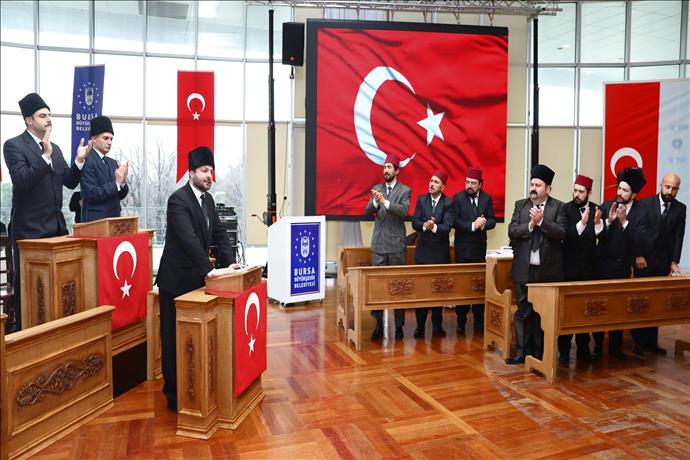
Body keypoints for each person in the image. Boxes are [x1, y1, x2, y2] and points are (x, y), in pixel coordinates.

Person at [155, 146, 237, 412]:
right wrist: (209, 269)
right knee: (173, 340)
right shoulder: (177, 200)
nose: (208, 175)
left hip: (198, 283)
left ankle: (195, 387)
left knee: (194, 340)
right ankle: (174, 396)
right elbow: (189, 239)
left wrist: (232, 265)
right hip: (175, 282)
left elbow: (220, 235)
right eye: (203, 171)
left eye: (211, 171)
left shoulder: (209, 201)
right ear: (190, 173)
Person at [3, 92, 91, 332]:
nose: (48, 119)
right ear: (28, 120)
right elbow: (22, 180)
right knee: (31, 295)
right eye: (43, 115)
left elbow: (70, 182)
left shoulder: (57, 149)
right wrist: (44, 157)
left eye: (49, 115)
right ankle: (27, 343)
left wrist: (80, 162)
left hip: (56, 232)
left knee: (57, 294)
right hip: (30, 234)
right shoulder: (13, 146)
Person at [506, 164, 566, 364]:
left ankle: (540, 355)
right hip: (524, 269)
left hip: (547, 272)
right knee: (523, 312)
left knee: (541, 315)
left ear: (548, 189)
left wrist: (542, 222)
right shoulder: (520, 205)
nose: (533, 188)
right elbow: (512, 231)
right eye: (531, 184)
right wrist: (530, 225)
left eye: (538, 185)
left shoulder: (558, 207)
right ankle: (522, 352)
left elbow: (561, 233)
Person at [596, 167, 650, 360]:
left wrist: (625, 222)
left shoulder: (642, 213)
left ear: (634, 194)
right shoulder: (606, 205)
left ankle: (615, 350)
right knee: (599, 308)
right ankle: (597, 349)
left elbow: (640, 241)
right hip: (601, 266)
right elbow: (598, 236)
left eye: (625, 190)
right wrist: (608, 222)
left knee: (617, 310)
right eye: (619, 188)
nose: (619, 193)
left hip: (621, 268)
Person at [632, 173, 686, 355]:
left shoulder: (681, 209)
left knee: (656, 304)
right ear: (660, 185)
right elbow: (637, 232)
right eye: (667, 187)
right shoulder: (645, 204)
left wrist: (674, 261)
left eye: (674, 188)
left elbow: (679, 237)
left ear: (678, 189)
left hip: (662, 263)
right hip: (643, 262)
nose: (670, 191)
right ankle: (638, 342)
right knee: (642, 302)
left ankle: (651, 343)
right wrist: (638, 255)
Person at [364, 153, 411, 341]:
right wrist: (375, 201)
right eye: (384, 167)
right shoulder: (377, 188)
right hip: (379, 245)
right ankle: (378, 324)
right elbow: (367, 211)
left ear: (397, 171)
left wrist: (385, 202)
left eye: (389, 167)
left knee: (398, 286)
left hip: (397, 245)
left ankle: (399, 326)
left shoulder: (405, 190)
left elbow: (403, 212)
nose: (386, 170)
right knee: (377, 287)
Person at [558, 174, 602, 363]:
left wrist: (598, 224)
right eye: (575, 190)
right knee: (567, 312)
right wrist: (582, 223)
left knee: (585, 311)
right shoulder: (565, 209)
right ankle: (564, 352)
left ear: (589, 193)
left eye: (581, 191)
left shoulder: (596, 210)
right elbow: (564, 234)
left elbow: (601, 236)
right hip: (569, 269)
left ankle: (584, 350)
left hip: (589, 270)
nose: (577, 194)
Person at [411, 169, 455, 338]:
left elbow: (448, 226)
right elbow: (415, 222)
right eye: (431, 181)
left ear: (442, 187)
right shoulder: (421, 200)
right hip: (422, 253)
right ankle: (419, 326)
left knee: (438, 290)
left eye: (436, 182)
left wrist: (434, 227)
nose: (431, 184)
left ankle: (437, 325)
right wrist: (424, 226)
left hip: (439, 254)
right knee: (421, 291)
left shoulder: (449, 203)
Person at [452, 166, 496, 335]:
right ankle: (461, 322)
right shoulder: (458, 198)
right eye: (467, 182)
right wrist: (472, 225)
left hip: (479, 250)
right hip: (463, 250)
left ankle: (479, 322)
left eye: (473, 183)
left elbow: (492, 219)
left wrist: (484, 223)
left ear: (480, 184)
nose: (469, 186)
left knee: (478, 286)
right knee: (463, 288)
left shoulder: (486, 199)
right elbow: (454, 221)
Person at [80, 116, 129, 222]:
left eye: (111, 139)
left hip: (114, 221)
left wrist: (123, 182)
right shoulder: (86, 160)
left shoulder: (113, 163)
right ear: (93, 139)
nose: (109, 142)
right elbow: (92, 194)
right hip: (96, 223)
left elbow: (120, 195)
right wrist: (116, 184)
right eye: (105, 138)